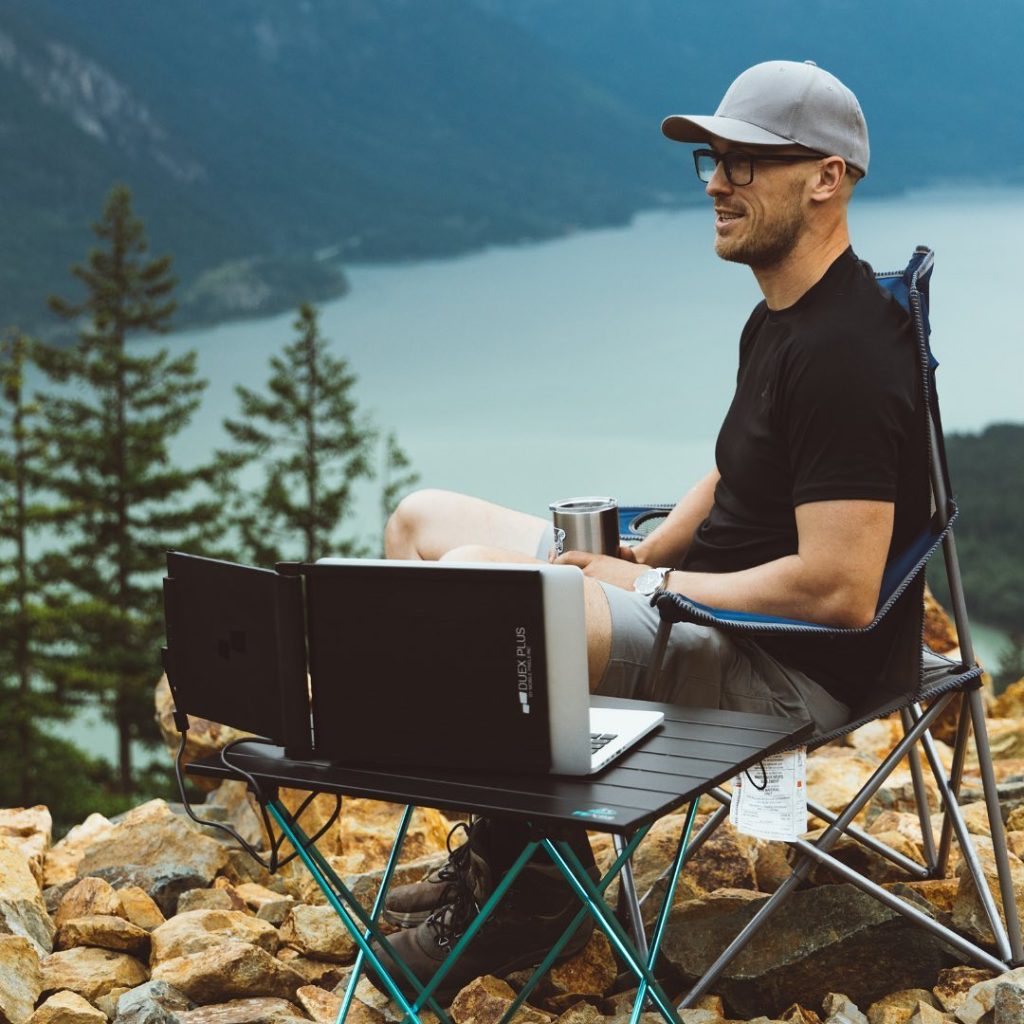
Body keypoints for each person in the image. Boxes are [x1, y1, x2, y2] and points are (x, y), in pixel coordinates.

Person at [370, 59, 929, 1002]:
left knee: (480, 596)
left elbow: (841, 590)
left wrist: (645, 588)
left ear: (827, 177)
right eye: (713, 159)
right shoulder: (786, 316)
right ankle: (512, 843)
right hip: (701, 605)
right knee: (423, 520)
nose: (717, 180)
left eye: (746, 161)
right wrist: (653, 549)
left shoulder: (849, 354)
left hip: (783, 665)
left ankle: (530, 893)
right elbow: (739, 461)